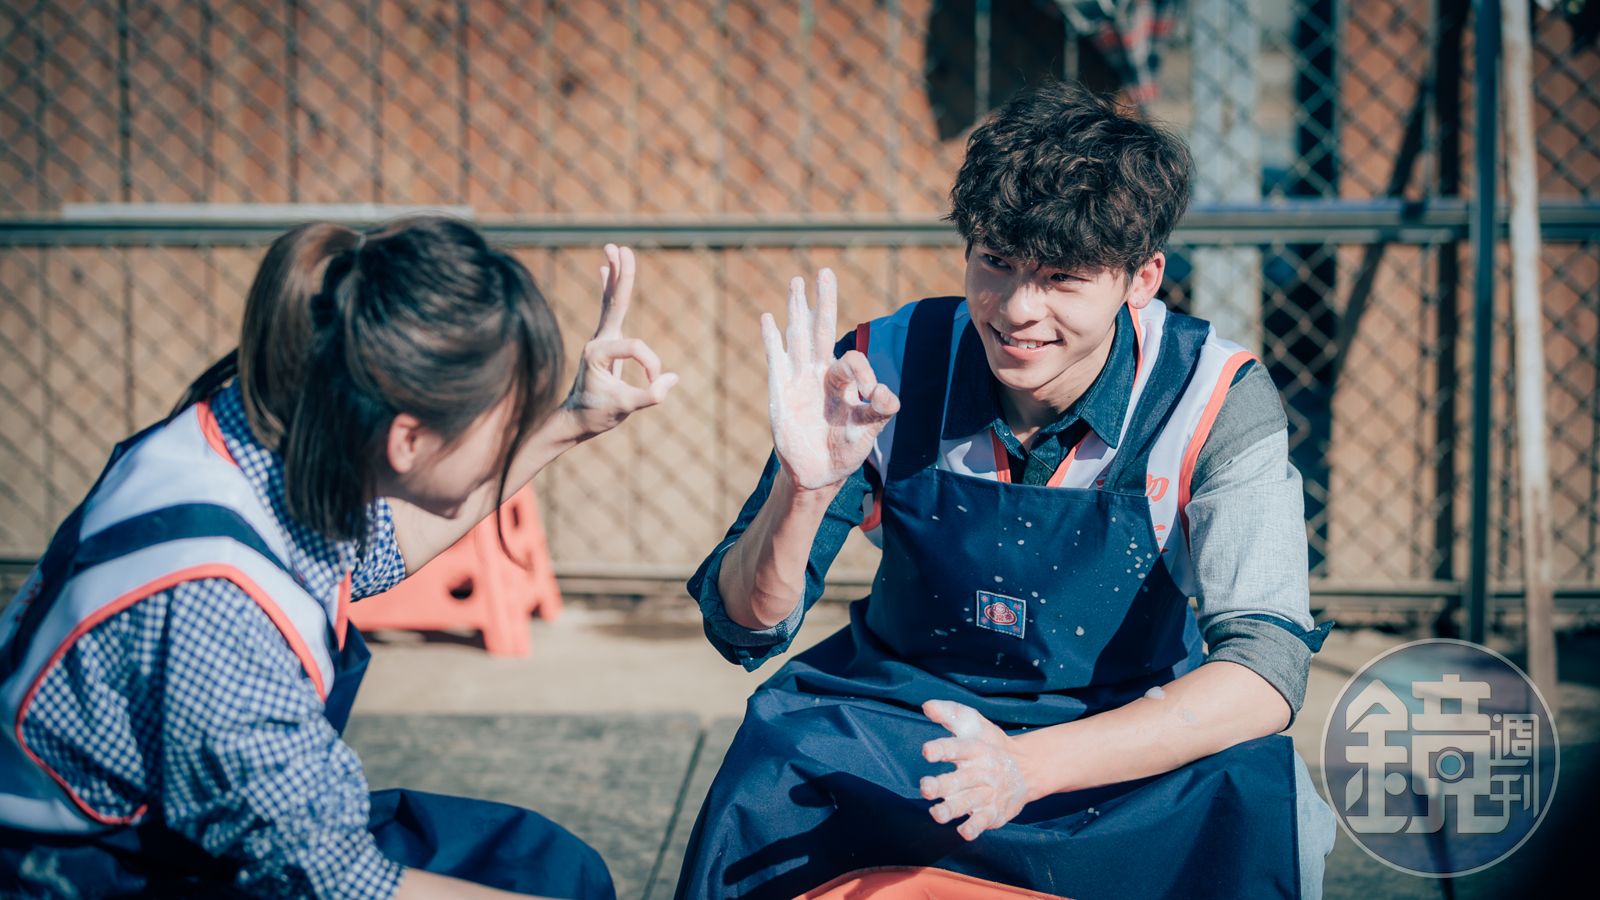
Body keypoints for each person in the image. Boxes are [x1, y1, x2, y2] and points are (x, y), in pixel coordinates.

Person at [676, 81, 1338, 899]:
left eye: (1063, 277)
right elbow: (743, 626)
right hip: (904, 721)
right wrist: (803, 490)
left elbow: (1266, 669)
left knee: (1256, 795)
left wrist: (1026, 766)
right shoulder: (883, 364)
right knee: (777, 759)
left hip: (1122, 736)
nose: (1019, 309)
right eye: (995, 262)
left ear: (1142, 278)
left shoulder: (1213, 395)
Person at [0, 217, 676, 898]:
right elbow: (330, 880)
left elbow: (382, 549)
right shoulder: (212, 601)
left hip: (184, 837)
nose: (512, 440)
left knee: (552, 866)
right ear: (406, 441)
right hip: (88, 876)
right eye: (506, 423)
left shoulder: (268, 432)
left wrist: (572, 419)